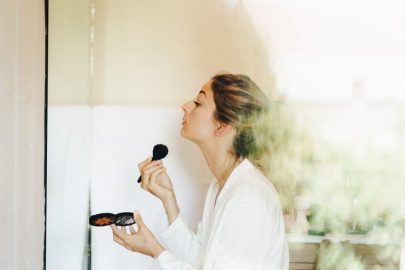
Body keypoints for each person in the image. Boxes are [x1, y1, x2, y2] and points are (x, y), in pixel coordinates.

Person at [110, 73, 289, 269]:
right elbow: (203, 260)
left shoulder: (249, 200)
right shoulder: (221, 185)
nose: (185, 106)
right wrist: (169, 200)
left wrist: (155, 250)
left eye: (198, 102)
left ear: (221, 126)